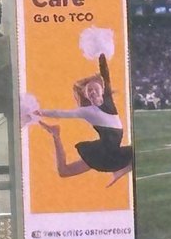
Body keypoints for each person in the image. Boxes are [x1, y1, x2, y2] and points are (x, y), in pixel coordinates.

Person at [35, 53, 134, 187]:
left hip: (109, 150)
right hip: (103, 152)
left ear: (101, 89)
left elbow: (105, 74)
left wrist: (101, 55)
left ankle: (119, 171)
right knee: (64, 171)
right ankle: (55, 135)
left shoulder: (107, 99)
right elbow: (61, 113)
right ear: (87, 95)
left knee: (137, 154)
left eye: (94, 89)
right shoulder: (87, 111)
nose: (92, 92)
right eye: (89, 91)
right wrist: (41, 112)